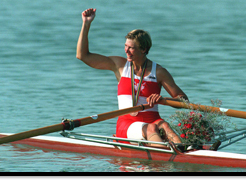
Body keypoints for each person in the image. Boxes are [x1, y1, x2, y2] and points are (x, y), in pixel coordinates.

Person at [76, 8, 188, 147]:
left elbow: (183, 101)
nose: (126, 51)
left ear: (143, 50)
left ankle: (185, 151)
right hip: (126, 123)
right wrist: (86, 24)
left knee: (164, 125)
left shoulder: (159, 72)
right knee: (152, 128)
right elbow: (83, 56)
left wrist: (164, 100)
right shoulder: (120, 66)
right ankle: (168, 159)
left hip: (154, 120)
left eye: (131, 48)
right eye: (125, 46)